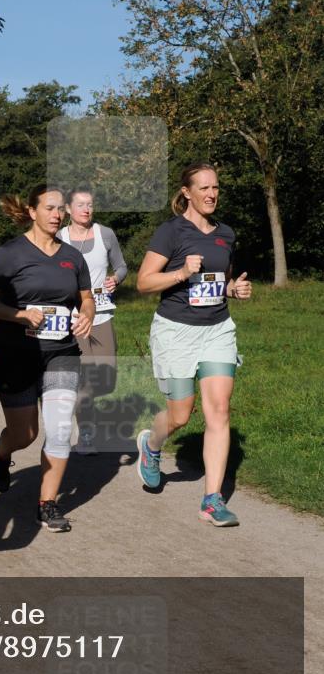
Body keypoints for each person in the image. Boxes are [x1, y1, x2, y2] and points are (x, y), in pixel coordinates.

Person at [135, 162, 252, 526]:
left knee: (219, 409)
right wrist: (182, 273)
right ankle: (151, 446)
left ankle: (212, 500)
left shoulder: (226, 233)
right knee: (180, 415)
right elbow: (143, 283)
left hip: (217, 329)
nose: (211, 194)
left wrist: (234, 289)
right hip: (175, 331)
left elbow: (222, 280)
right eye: (203, 188)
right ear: (186, 192)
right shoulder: (170, 232)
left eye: (215, 187)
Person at [0, 186, 95, 532]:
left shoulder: (72, 257)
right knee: (26, 433)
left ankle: (47, 504)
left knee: (61, 427)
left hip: (61, 352)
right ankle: (2, 452)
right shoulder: (10, 254)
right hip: (15, 353)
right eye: (49, 208)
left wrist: (87, 314)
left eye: (60, 209)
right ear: (32, 212)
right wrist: (20, 315)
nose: (56, 214)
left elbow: (86, 298)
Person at [57, 188, 127, 454]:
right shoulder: (59, 237)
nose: (86, 209)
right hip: (73, 318)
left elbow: (121, 266)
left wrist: (115, 279)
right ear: (68, 209)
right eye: (81, 205)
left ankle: (79, 406)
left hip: (103, 313)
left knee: (106, 378)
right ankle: (86, 431)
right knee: (84, 377)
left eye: (90, 205)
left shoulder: (105, 234)